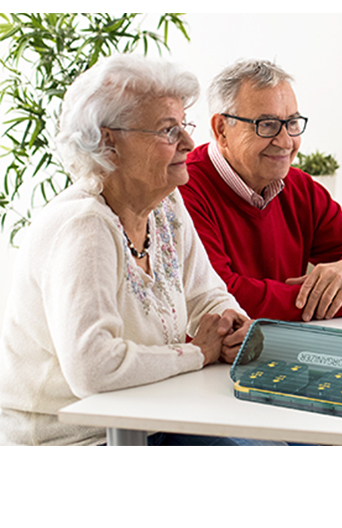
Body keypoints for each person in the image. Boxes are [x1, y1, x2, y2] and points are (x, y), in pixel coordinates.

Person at [0, 54, 274, 446]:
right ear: (109, 141)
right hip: (77, 440)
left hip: (157, 415)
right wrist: (197, 353)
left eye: (184, 125)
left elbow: (205, 295)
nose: (188, 142)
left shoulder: (165, 206)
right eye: (168, 130)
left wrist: (230, 324)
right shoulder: (83, 226)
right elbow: (93, 368)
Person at [179, 59, 342, 345]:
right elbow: (222, 295)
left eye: (292, 123)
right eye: (268, 125)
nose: (286, 141)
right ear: (222, 129)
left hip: (282, 353)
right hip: (208, 368)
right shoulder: (183, 189)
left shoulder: (300, 188)